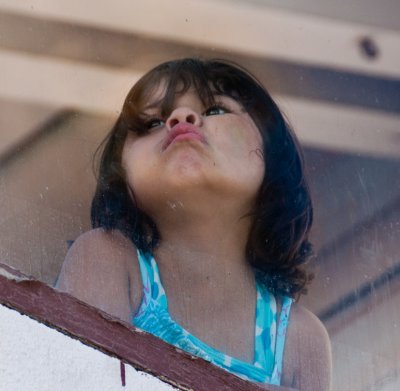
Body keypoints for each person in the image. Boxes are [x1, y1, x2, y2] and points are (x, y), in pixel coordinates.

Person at [57, 58, 332, 389]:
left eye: (215, 110)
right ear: (121, 174)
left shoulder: (298, 338)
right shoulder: (108, 258)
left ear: (270, 155)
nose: (180, 118)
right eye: (152, 122)